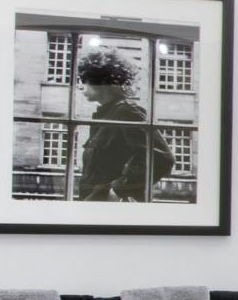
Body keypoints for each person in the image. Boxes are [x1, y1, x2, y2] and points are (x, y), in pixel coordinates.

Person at [72, 47, 169, 202]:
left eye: (86, 79)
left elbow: (161, 158)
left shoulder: (127, 112)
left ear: (102, 81)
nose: (81, 85)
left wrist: (118, 190)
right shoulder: (105, 114)